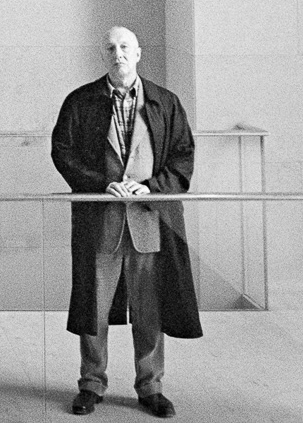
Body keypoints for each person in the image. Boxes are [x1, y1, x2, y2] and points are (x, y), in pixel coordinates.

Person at [51, 27, 202, 418]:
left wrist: (152, 188)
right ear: (104, 55)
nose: (117, 54)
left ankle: (150, 386)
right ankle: (91, 383)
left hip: (149, 222)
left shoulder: (164, 102)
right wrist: (101, 184)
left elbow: (184, 154)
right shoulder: (81, 101)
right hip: (100, 220)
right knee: (93, 307)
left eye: (124, 47)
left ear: (139, 53)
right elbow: (63, 152)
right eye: (111, 48)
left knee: (150, 309)